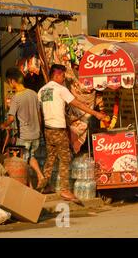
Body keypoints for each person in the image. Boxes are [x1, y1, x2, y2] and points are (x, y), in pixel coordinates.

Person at [37, 64, 107, 202]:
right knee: (65, 158)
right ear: (56, 75)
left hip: (47, 129)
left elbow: (39, 113)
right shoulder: (60, 89)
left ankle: (44, 186)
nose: (64, 78)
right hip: (58, 128)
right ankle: (64, 189)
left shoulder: (42, 90)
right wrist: (96, 114)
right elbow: (78, 104)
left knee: (50, 158)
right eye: (63, 75)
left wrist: (42, 129)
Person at [0, 67, 45, 188]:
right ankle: (40, 176)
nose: (10, 84)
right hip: (35, 134)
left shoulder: (16, 97)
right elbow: (39, 115)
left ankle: (26, 187)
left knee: (21, 162)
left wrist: (2, 126)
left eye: (9, 82)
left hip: (24, 136)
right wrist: (39, 130)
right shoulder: (33, 94)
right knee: (30, 157)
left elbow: (11, 119)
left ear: (12, 80)